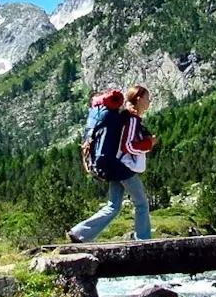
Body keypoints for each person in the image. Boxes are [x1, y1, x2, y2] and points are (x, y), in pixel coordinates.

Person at [67, 85, 157, 242]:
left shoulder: (123, 116)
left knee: (113, 206)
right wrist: (148, 144)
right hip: (123, 167)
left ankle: (80, 233)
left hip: (113, 165)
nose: (149, 101)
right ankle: (143, 240)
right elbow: (127, 145)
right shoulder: (131, 118)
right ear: (139, 99)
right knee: (141, 204)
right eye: (147, 98)